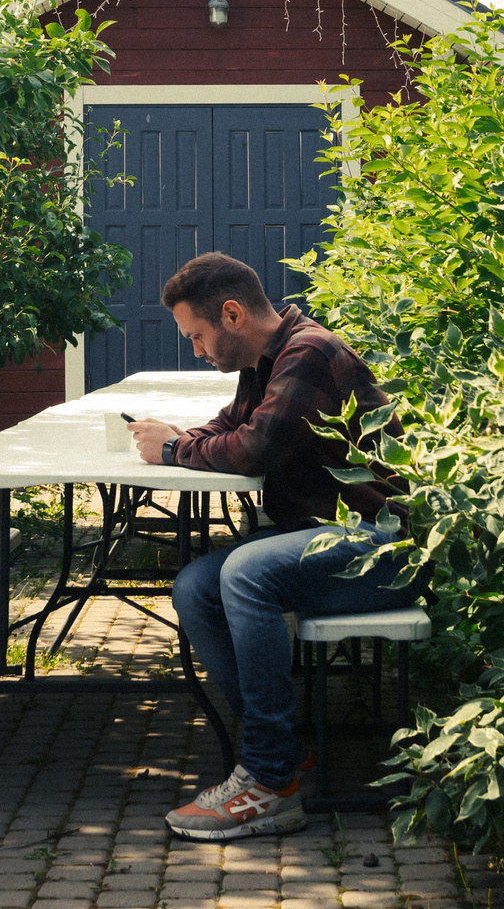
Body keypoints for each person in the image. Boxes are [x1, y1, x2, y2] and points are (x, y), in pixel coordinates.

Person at [125, 251, 414, 840]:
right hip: (325, 538)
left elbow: (253, 449)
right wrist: (182, 437)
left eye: (197, 336)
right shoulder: (268, 361)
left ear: (232, 314)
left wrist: (174, 450)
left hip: (384, 548)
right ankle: (283, 748)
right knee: (195, 586)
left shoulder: (309, 353)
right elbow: (231, 425)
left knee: (246, 572)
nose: (196, 351)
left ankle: (268, 781)